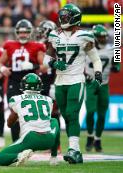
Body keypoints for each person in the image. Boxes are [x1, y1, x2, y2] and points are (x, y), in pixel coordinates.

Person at [47, 4, 103, 164]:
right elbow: (46, 59)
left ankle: (74, 150)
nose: (63, 19)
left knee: (72, 114)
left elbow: (95, 58)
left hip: (76, 80)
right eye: (62, 16)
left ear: (75, 18)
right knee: (66, 116)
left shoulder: (85, 36)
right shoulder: (54, 35)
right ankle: (76, 151)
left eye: (66, 16)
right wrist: (54, 64)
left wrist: (97, 73)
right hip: (60, 81)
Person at [0, 73, 60, 166]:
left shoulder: (15, 99)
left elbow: (9, 124)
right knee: (54, 121)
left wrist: (15, 117)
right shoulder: (48, 100)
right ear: (39, 86)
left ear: (23, 85)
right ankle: (54, 157)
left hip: (31, 138)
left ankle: (20, 156)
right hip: (48, 140)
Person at [0, 19, 46, 142]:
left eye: (25, 32)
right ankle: (16, 142)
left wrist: (32, 66)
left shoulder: (37, 46)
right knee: (14, 112)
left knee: (28, 114)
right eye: (20, 32)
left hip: (30, 84)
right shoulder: (10, 45)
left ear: (30, 33)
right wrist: (3, 68)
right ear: (17, 33)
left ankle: (28, 141)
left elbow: (44, 67)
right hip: (13, 81)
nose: (23, 35)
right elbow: (0, 62)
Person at [85, 24, 120, 152]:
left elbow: (117, 65)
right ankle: (89, 136)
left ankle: (98, 139)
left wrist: (116, 67)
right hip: (91, 84)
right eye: (100, 37)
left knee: (101, 115)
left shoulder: (112, 49)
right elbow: (78, 65)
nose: (103, 39)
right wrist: (85, 76)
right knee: (90, 112)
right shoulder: (86, 49)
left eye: (104, 36)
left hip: (104, 84)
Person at [36, 20, 62, 152]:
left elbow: (60, 68)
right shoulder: (40, 47)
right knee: (42, 115)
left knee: (54, 114)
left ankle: (56, 145)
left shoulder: (57, 46)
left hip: (53, 83)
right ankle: (46, 143)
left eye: (42, 31)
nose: (40, 34)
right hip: (42, 84)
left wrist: (54, 84)